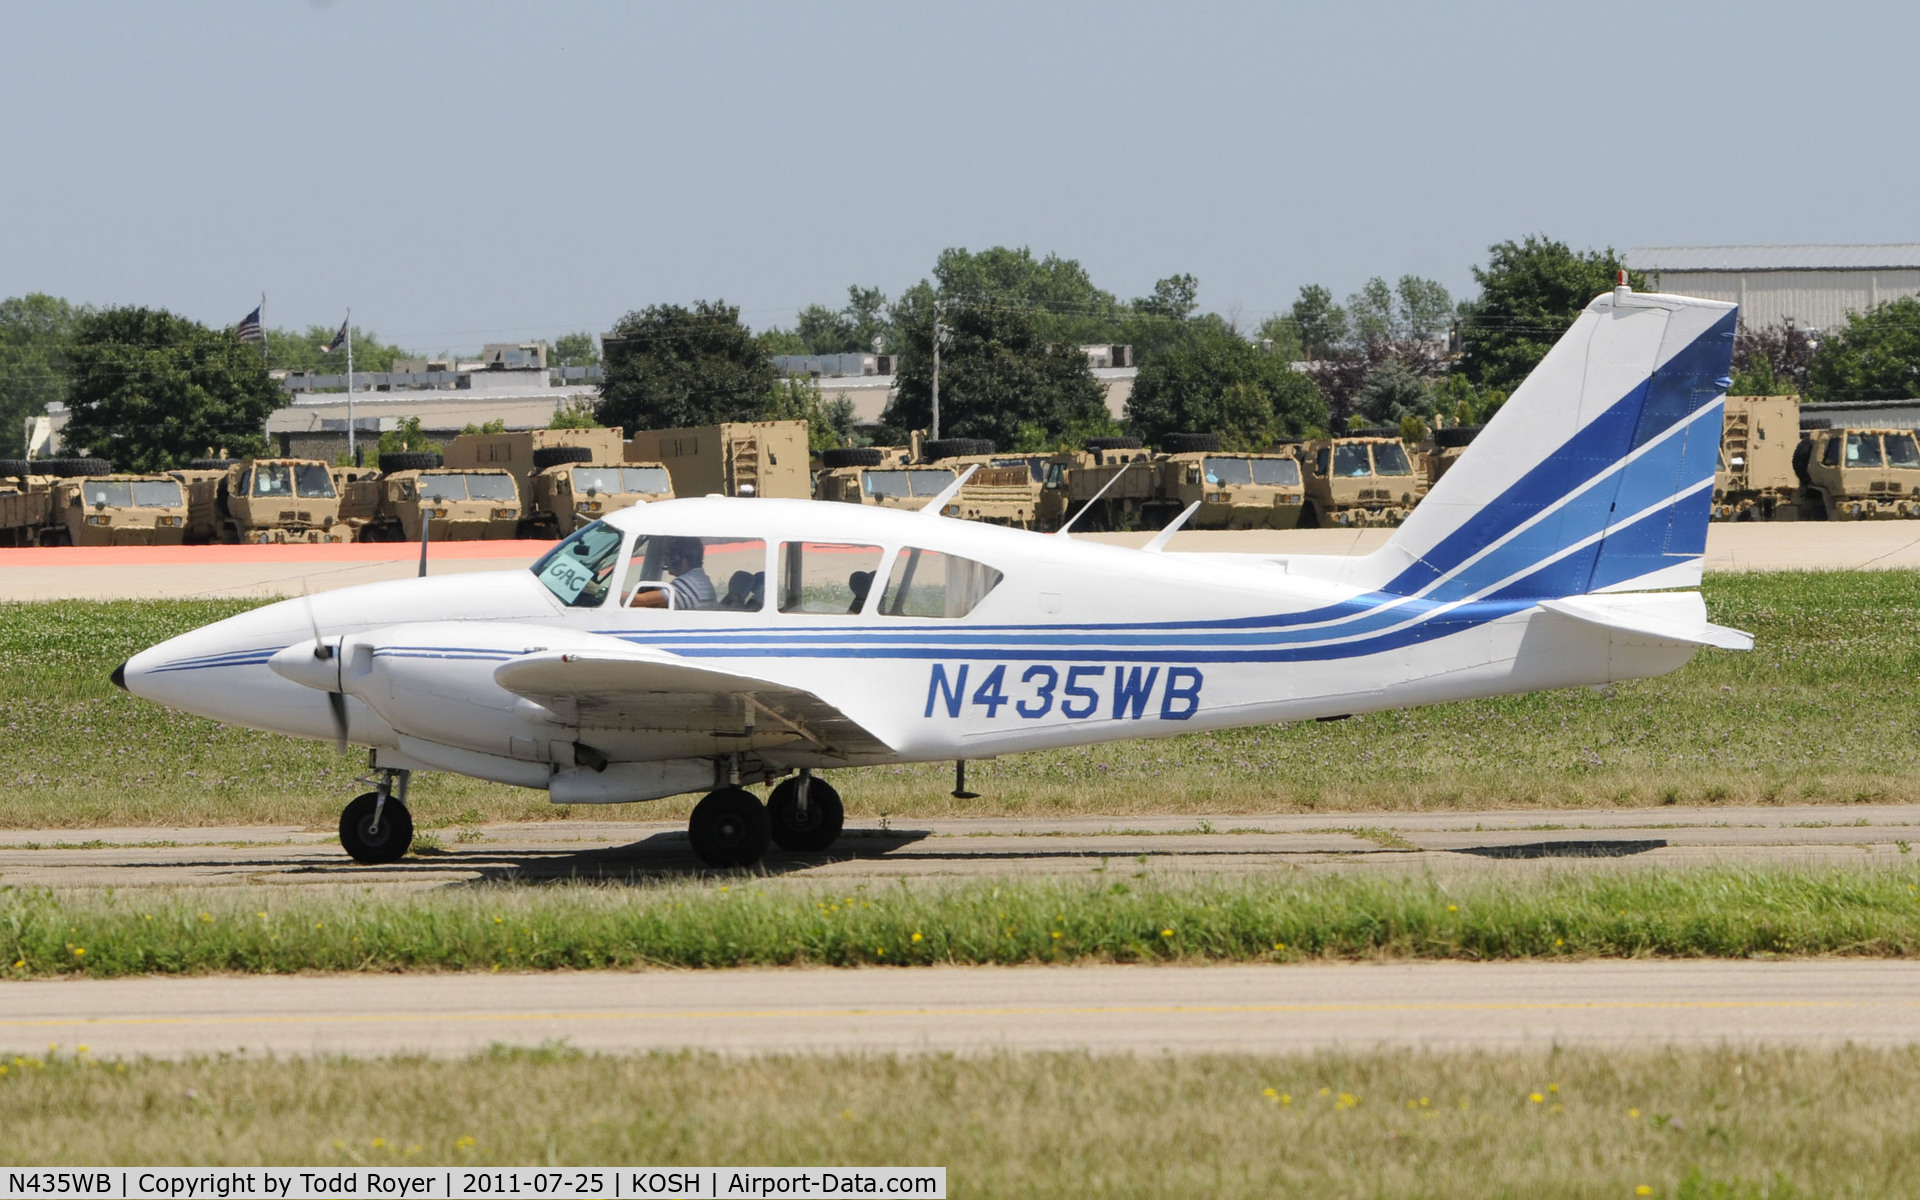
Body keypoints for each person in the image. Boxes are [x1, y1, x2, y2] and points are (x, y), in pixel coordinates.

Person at [630, 536, 716, 609]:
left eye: (668, 555)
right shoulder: (698, 579)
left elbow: (639, 601)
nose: (665, 561)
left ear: (678, 558)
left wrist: (617, 595)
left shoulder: (690, 584)